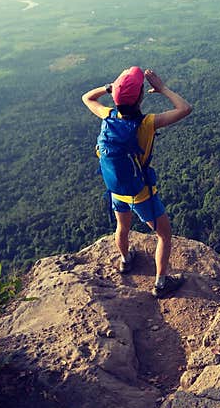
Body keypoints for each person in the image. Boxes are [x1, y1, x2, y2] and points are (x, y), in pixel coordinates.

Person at [81, 67, 192, 297]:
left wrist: (109, 88)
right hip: (141, 193)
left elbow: (87, 98)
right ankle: (161, 283)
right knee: (164, 234)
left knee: (122, 227)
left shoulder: (108, 116)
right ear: (141, 97)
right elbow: (185, 108)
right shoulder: (148, 123)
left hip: (115, 189)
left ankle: (125, 260)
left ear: (116, 99)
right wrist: (162, 89)